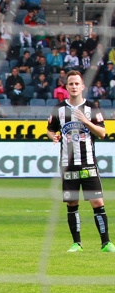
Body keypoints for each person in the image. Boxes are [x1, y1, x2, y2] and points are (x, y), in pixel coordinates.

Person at [47, 70, 114, 253]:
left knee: (97, 202)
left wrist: (86, 121)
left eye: (77, 83)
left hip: (88, 163)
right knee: (72, 203)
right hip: (68, 165)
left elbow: (102, 133)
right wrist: (53, 136)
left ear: (83, 86)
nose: (74, 86)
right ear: (66, 86)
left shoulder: (92, 108)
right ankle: (77, 243)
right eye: (71, 84)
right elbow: (50, 129)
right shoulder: (59, 109)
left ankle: (106, 243)